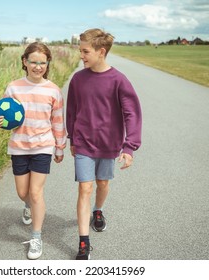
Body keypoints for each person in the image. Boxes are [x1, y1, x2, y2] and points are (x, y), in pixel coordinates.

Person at [66, 28, 142, 260]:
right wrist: (72, 137)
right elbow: (72, 110)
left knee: (102, 184)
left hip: (109, 145)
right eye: (80, 51)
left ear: (101, 52)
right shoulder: (78, 79)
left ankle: (97, 211)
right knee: (84, 188)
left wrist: (130, 147)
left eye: (85, 51)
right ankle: (83, 242)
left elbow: (132, 113)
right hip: (83, 143)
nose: (81, 55)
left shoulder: (118, 80)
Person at [0, 42, 66, 260]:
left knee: (36, 192)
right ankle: (28, 205)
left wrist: (59, 147)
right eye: (34, 62)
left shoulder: (53, 91)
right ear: (25, 62)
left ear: (47, 64)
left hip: (43, 146)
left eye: (42, 62)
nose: (38, 66)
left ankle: (36, 237)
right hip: (19, 146)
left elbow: (58, 121)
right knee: (24, 193)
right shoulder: (13, 87)